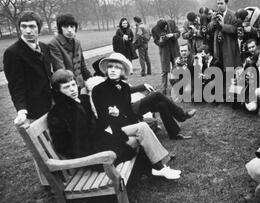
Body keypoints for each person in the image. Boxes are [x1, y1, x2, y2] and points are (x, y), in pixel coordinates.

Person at [48, 69, 180, 179]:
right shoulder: (58, 113)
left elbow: (96, 123)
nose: (72, 89)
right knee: (134, 137)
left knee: (143, 126)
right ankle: (158, 167)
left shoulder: (81, 100)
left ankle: (159, 165)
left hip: (101, 137)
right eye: (66, 87)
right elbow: (63, 146)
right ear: (57, 90)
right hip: (91, 152)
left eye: (72, 85)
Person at [92, 53, 195, 141]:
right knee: (157, 95)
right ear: (106, 70)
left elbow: (129, 90)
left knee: (161, 104)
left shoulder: (122, 84)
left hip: (131, 109)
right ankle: (181, 115)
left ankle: (174, 133)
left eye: (117, 68)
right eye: (111, 67)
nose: (113, 70)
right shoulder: (102, 87)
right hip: (127, 114)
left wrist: (143, 86)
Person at [3, 11, 52, 125]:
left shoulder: (45, 47)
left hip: (51, 104)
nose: (28, 31)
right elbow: (16, 86)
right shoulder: (12, 53)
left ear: (39, 29)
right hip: (34, 111)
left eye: (32, 26)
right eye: (23, 26)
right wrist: (21, 111)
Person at [48, 13, 92, 89]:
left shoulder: (77, 42)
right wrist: (75, 87)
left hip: (81, 85)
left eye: (72, 26)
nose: (69, 30)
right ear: (60, 28)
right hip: (67, 87)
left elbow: (83, 67)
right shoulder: (54, 44)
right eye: (65, 26)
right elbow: (61, 71)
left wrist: (92, 80)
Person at [208, 0, 241, 69]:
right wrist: (213, 22)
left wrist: (223, 25)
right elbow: (209, 29)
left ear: (226, 3)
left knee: (229, 67)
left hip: (229, 46)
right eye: (218, 4)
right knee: (219, 67)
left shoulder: (233, 15)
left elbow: (235, 30)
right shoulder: (215, 15)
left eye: (221, 3)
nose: (219, 6)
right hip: (218, 46)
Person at [152, 19, 180, 95]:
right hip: (164, 52)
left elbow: (178, 33)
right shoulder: (154, 30)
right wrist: (160, 41)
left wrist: (172, 35)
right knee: (164, 71)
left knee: (177, 68)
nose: (165, 29)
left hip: (174, 50)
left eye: (165, 27)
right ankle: (163, 88)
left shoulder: (172, 23)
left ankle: (177, 86)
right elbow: (155, 41)